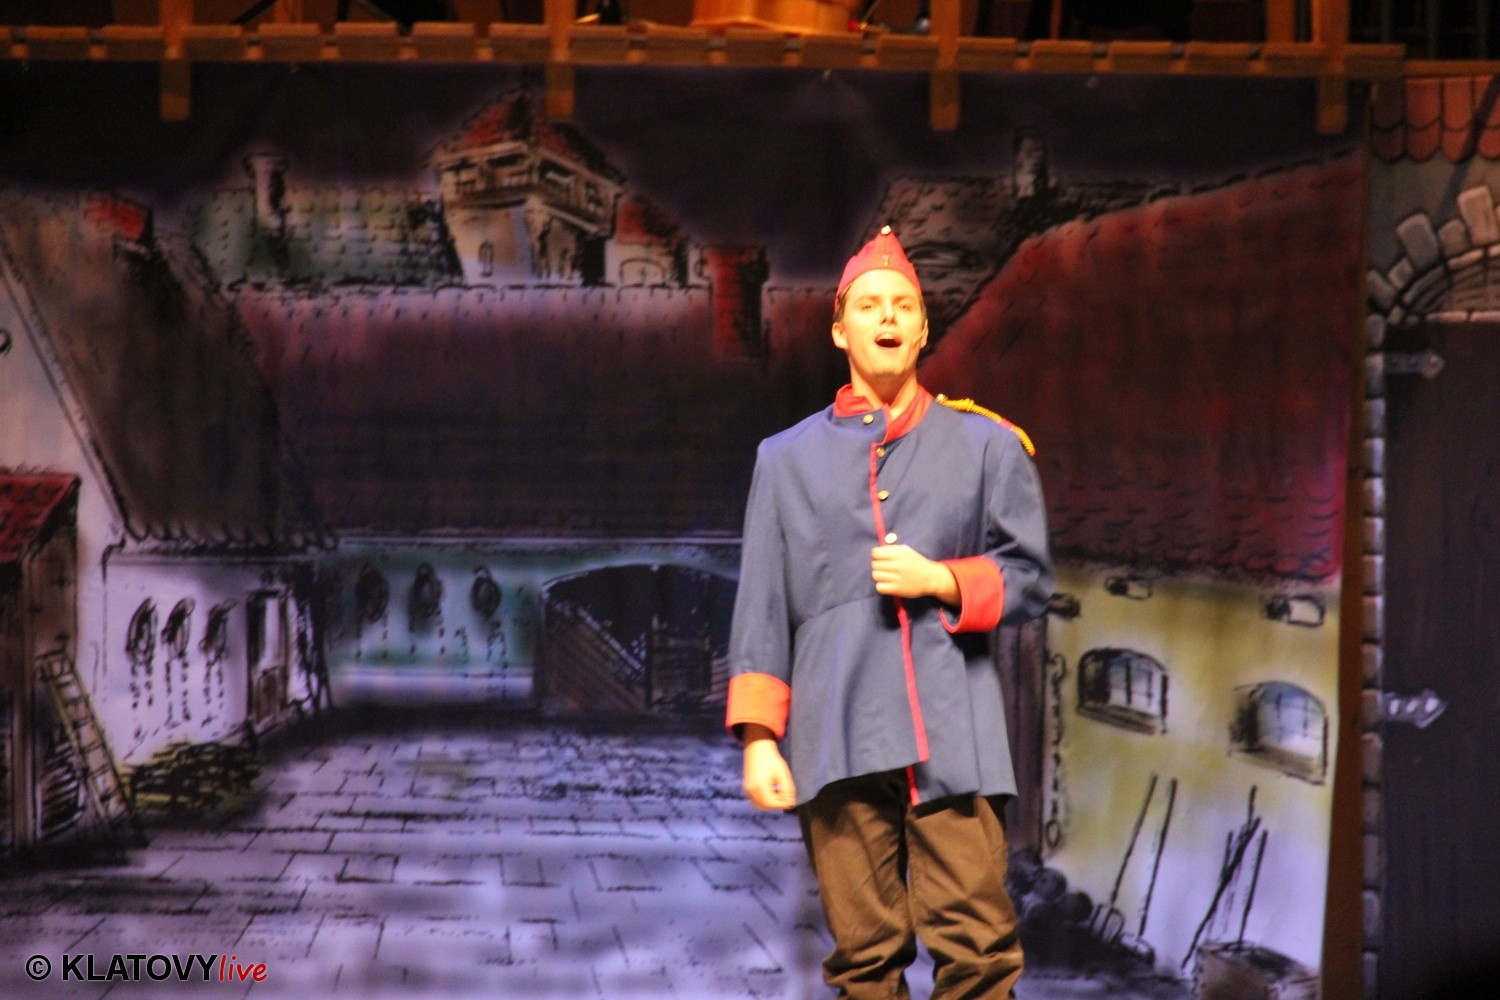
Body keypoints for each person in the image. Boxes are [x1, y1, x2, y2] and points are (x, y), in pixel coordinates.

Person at [725, 226, 1054, 999]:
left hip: (952, 731)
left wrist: (941, 579)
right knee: (864, 961)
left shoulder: (986, 445)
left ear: (923, 328)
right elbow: (763, 603)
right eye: (870, 305)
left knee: (980, 954)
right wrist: (761, 739)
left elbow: (1031, 580)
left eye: (903, 306)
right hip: (835, 730)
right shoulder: (785, 458)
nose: (888, 317)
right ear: (840, 329)